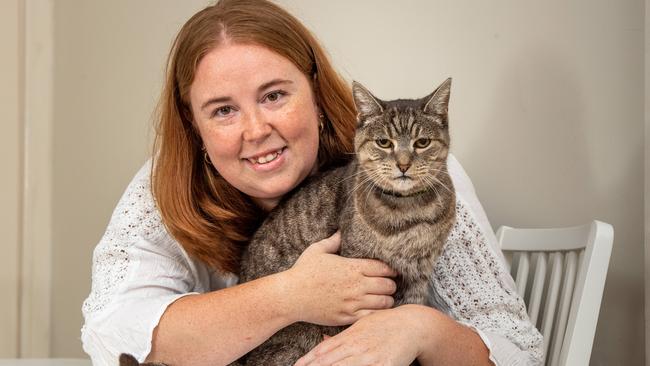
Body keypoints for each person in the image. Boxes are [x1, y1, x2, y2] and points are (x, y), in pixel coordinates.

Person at [81, 0, 543, 365]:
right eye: (223, 110)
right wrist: (290, 295)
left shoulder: (419, 174)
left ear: (317, 95)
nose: (255, 129)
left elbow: (518, 351)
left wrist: (417, 327)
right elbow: (114, 334)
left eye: (275, 95)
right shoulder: (165, 187)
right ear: (194, 125)